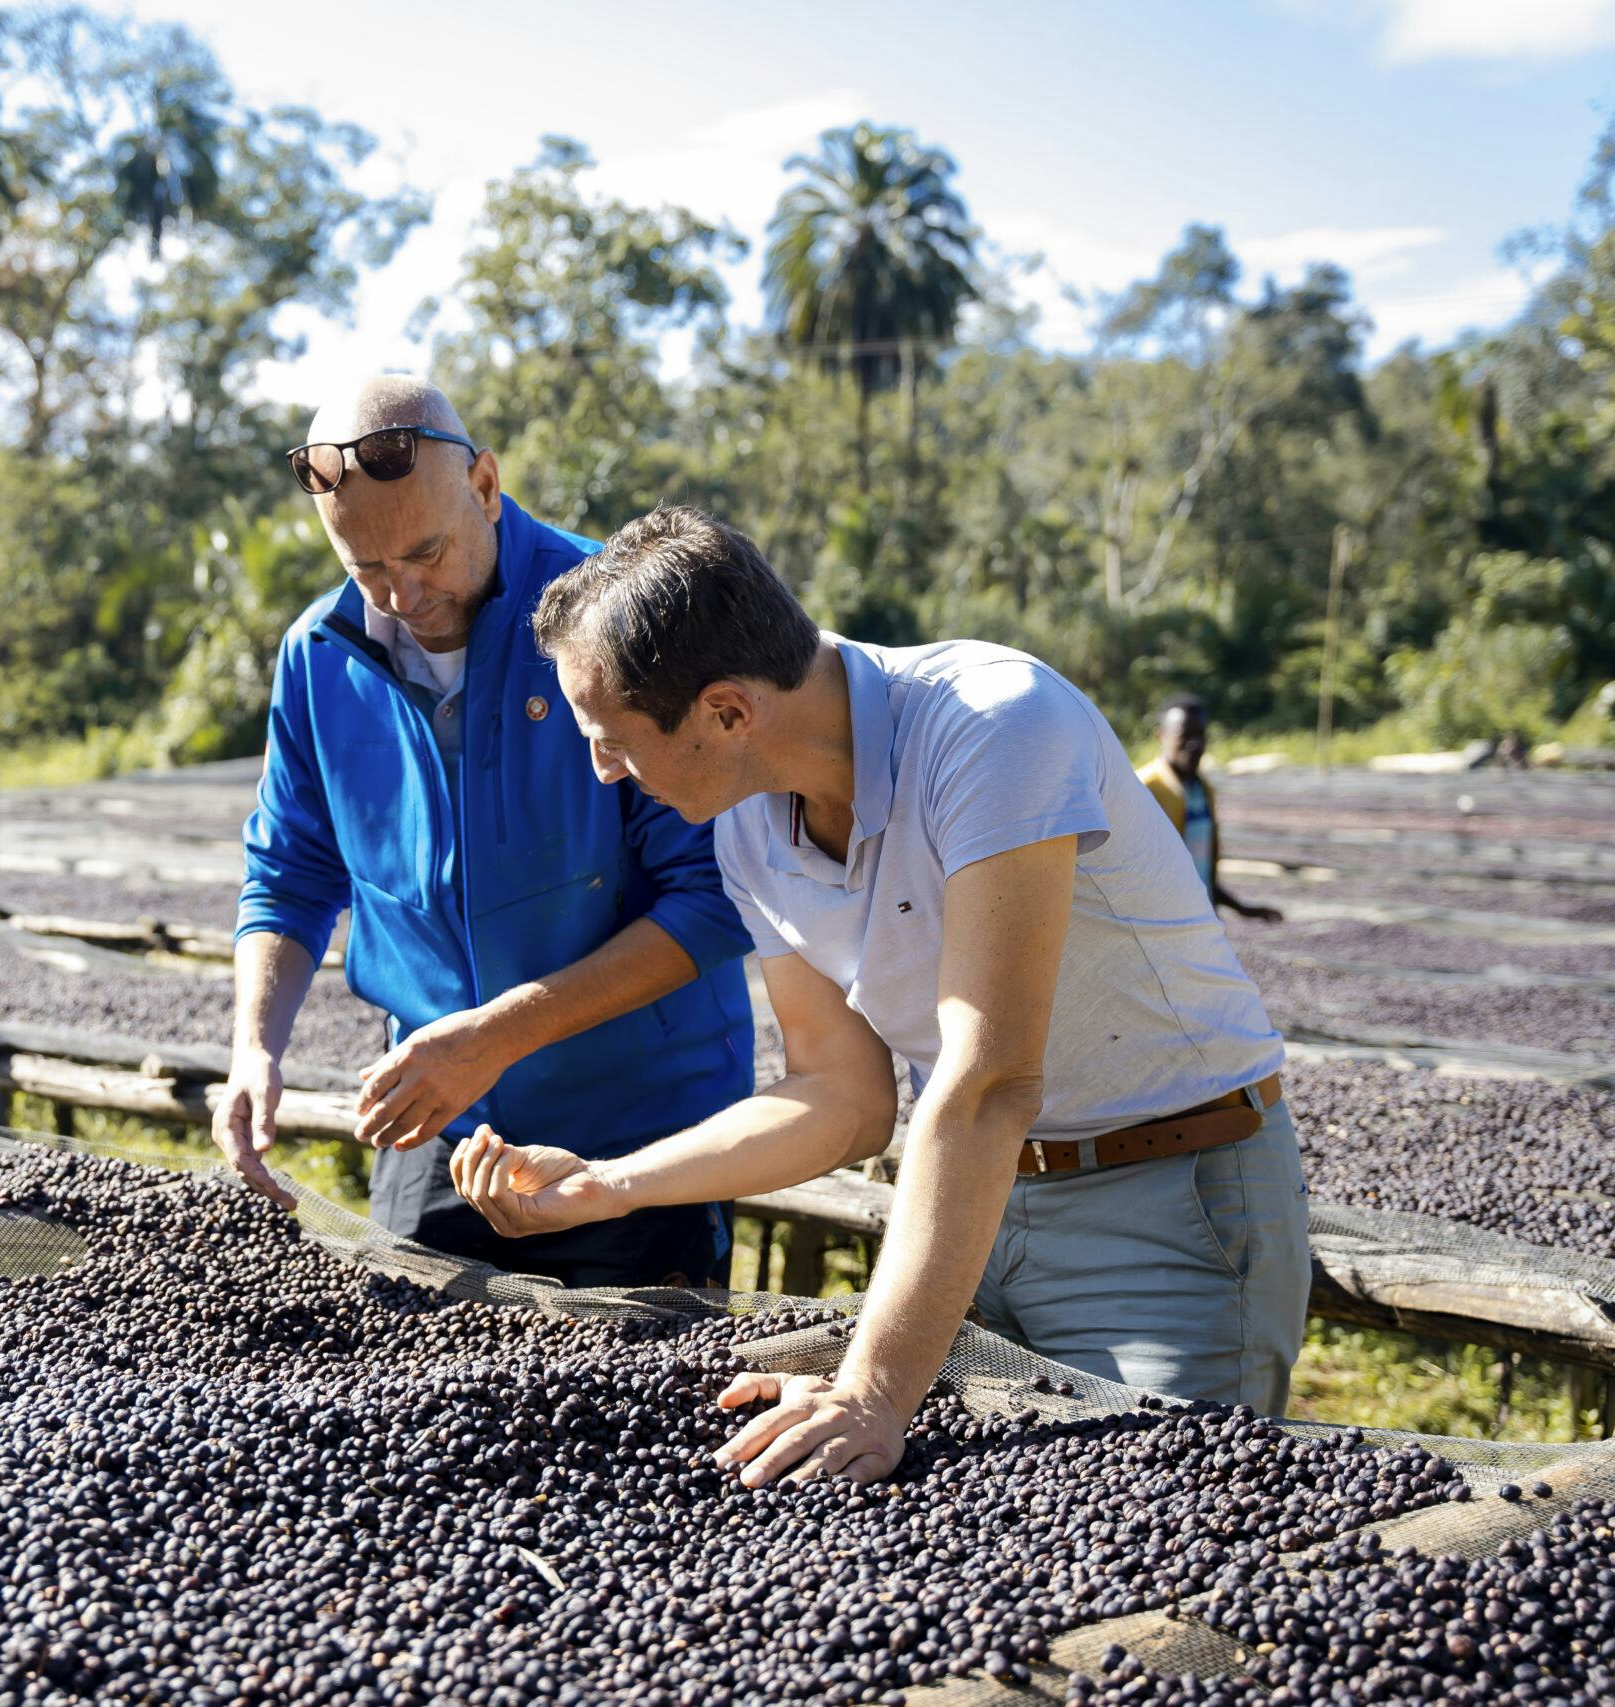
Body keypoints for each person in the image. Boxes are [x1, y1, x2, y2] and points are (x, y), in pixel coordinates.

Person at [453, 506, 1310, 1485]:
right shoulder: (746, 829)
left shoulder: (993, 727)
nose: (602, 768)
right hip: (964, 1215)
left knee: (1165, 1540)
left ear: (727, 713)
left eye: (613, 739)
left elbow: (987, 1079)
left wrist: (871, 1389)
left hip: (1163, 1213)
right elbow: (842, 1098)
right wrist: (606, 1185)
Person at [219, 381, 756, 1288]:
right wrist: (254, 1046)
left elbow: (712, 900)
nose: (404, 593)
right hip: (443, 1125)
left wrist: (496, 1037)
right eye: (366, 569)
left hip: (645, 1134)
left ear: (486, 484)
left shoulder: (622, 624)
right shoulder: (318, 657)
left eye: (426, 551)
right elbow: (290, 873)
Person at [1137, 696, 1283, 924]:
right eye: (1184, 734)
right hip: (1161, 922)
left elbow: (1201, 867)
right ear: (1161, 734)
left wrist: (1242, 909)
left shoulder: (1202, 789)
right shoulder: (1143, 788)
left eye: (1200, 734)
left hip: (1200, 918)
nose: (1193, 743)